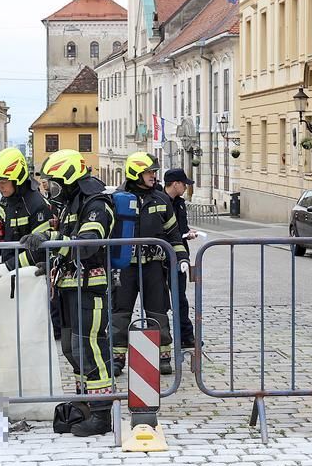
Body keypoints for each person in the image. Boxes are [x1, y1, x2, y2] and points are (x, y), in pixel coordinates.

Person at [21, 149, 115, 436]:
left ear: (70, 178)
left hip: (92, 286)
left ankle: (101, 413)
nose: (49, 188)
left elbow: (87, 242)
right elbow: (65, 241)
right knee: (71, 349)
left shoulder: (96, 202)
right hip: (70, 287)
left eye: (53, 182)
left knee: (91, 349)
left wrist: (50, 241)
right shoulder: (69, 203)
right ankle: (85, 402)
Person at [110, 151, 187, 376]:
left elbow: (174, 235)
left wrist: (181, 258)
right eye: (149, 172)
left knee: (158, 310)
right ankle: (117, 357)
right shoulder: (117, 199)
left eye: (153, 172)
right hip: (125, 266)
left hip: (153, 265)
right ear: (136, 174)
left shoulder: (161, 199)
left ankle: (162, 355)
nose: (153, 176)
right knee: (120, 312)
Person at [0, 147, 53, 269]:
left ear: (18, 179)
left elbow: (40, 249)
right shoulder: (5, 201)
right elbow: (3, 236)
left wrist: (10, 266)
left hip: (30, 275)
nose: (0, 187)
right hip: (10, 272)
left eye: (4, 182)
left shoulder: (37, 204)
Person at [161, 167, 200, 355]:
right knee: (161, 301)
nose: (186, 187)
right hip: (161, 258)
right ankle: (164, 339)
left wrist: (187, 233)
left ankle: (186, 336)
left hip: (179, 256)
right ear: (175, 184)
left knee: (180, 297)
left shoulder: (180, 203)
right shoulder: (159, 201)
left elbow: (180, 228)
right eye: (184, 184)